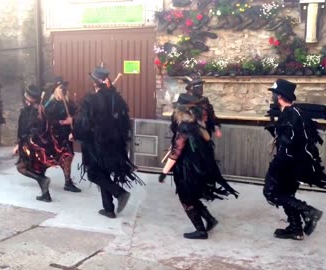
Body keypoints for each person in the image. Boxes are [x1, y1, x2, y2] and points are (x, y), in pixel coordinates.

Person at [263, 79, 326, 240]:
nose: (273, 97)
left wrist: (280, 141)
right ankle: (296, 229)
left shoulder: (290, 115)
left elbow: (290, 141)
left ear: (280, 96)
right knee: (286, 194)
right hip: (296, 163)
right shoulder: (297, 111)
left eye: (274, 94)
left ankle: (308, 211)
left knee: (271, 192)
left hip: (287, 162)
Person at [161, 93, 238, 239]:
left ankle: (200, 230)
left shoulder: (184, 127)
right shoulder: (197, 124)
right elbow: (207, 139)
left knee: (186, 199)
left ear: (180, 110)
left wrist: (164, 172)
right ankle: (209, 219)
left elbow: (176, 152)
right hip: (199, 167)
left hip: (188, 169)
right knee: (192, 196)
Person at [73, 66, 143, 219]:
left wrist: (75, 134)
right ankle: (109, 209)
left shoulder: (91, 100)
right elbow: (124, 122)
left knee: (93, 173)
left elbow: (83, 125)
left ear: (95, 83)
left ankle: (120, 193)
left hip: (96, 144)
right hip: (114, 143)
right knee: (103, 173)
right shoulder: (117, 98)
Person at [14, 85, 57, 202]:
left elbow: (26, 130)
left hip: (32, 146)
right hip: (44, 147)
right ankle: (45, 194)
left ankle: (42, 181)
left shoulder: (31, 112)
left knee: (21, 167)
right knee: (39, 169)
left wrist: (20, 144)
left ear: (28, 98)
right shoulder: (42, 109)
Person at [44, 77, 81, 192]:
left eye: (64, 87)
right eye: (61, 87)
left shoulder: (67, 101)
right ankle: (37, 173)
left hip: (66, 134)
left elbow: (75, 113)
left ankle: (67, 182)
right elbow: (46, 120)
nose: (63, 89)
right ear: (56, 89)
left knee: (67, 157)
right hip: (56, 136)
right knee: (61, 157)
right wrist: (62, 122)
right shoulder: (51, 104)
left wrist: (73, 118)